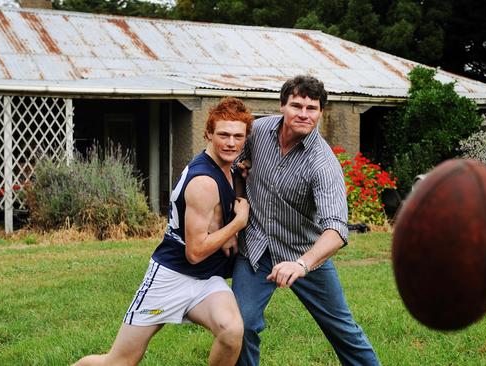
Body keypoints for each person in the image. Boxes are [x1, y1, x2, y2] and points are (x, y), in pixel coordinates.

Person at [74, 97, 254, 366]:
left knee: (231, 331)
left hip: (206, 280)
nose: (231, 143)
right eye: (223, 135)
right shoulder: (204, 181)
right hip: (171, 276)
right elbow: (195, 252)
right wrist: (238, 224)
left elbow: (220, 208)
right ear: (208, 133)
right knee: (119, 361)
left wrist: (239, 185)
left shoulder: (226, 167)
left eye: (238, 137)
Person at [232, 75, 380, 365]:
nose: (303, 113)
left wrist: (302, 264)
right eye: (296, 105)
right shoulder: (258, 131)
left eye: (311, 108)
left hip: (305, 253)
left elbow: (336, 229)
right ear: (282, 106)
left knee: (342, 329)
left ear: (321, 112)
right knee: (242, 325)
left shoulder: (323, 163)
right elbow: (235, 165)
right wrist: (240, 202)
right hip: (256, 249)